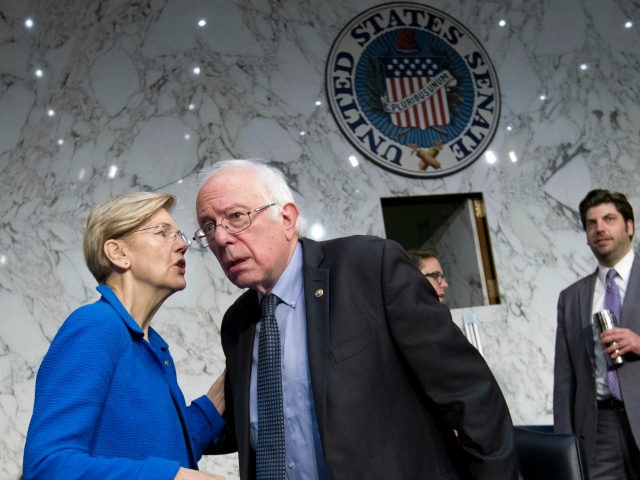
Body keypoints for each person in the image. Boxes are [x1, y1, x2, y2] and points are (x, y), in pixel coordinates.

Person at [194, 159, 518, 479]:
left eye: (236, 217)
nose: (220, 238)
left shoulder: (369, 268)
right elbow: (248, 427)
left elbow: (472, 397)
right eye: (208, 226)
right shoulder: (238, 323)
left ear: (287, 218)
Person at [23, 192, 227, 480]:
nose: (183, 245)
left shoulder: (150, 345)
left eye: (179, 234)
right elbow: (47, 465)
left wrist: (219, 395)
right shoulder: (95, 326)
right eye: (163, 233)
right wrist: (173, 478)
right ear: (118, 253)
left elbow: (164, 452)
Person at [554, 189, 640, 479]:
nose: (599, 228)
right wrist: (563, 442)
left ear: (629, 226)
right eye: (591, 223)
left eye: (609, 219)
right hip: (598, 428)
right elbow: (565, 379)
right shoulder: (572, 297)